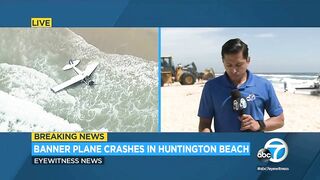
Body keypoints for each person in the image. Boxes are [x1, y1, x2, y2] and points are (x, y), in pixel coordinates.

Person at [198, 38, 284, 132]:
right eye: (229, 65)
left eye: (238, 65)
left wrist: (259, 124)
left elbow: (279, 120)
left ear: (248, 60)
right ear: (223, 61)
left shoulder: (264, 85)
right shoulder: (211, 87)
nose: (234, 70)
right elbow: (204, 123)